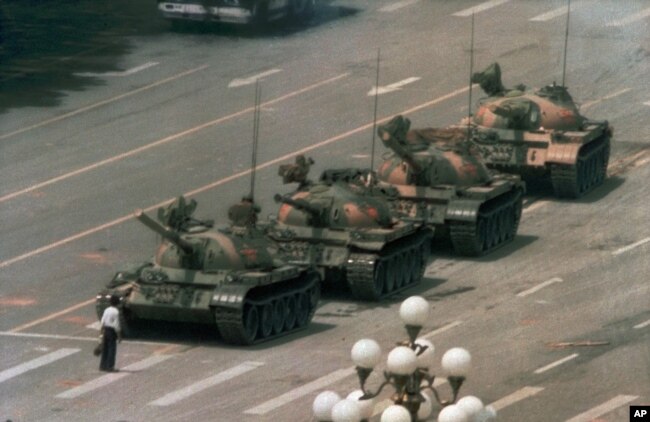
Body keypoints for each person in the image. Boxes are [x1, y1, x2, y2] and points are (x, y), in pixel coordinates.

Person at [99, 295, 122, 372]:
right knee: (112, 349)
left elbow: (102, 321)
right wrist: (119, 336)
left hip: (106, 330)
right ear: (117, 303)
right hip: (112, 331)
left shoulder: (106, 310)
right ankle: (110, 366)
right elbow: (117, 325)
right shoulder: (116, 312)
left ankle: (103, 365)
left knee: (105, 348)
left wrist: (101, 333)